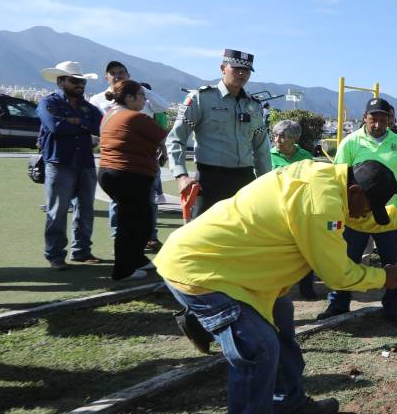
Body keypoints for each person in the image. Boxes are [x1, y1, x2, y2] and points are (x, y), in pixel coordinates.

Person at [155, 159, 397, 414]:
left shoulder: (332, 185)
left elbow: (364, 218)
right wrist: (385, 278)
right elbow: (339, 274)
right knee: (260, 351)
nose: (367, 214)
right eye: (369, 205)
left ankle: (287, 405)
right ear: (354, 191)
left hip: (244, 275)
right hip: (205, 273)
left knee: (282, 317)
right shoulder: (320, 204)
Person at [317, 98, 397, 330]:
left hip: (388, 216)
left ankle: (394, 310)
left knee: (394, 263)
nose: (377, 124)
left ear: (390, 120)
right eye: (373, 119)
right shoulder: (351, 142)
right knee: (345, 260)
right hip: (355, 216)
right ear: (365, 118)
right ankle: (338, 304)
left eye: (383, 119)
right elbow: (338, 180)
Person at [166, 49, 270, 219]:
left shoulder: (254, 106)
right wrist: (181, 176)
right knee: (201, 237)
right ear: (223, 68)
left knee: (243, 236)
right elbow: (176, 139)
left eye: (247, 70)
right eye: (236, 68)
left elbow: (262, 148)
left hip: (245, 180)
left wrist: (265, 182)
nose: (242, 73)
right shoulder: (200, 98)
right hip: (210, 181)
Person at [89, 61, 172, 253]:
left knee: (147, 203)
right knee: (123, 205)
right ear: (106, 78)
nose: (118, 75)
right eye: (113, 73)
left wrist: (142, 90)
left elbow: (163, 106)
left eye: (121, 72)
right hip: (120, 160)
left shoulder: (140, 98)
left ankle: (147, 239)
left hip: (144, 160)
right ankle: (122, 243)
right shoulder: (100, 101)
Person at [97, 80, 168, 281]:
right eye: (141, 95)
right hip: (128, 175)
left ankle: (136, 258)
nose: (145, 99)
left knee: (140, 219)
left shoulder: (109, 115)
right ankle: (123, 270)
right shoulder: (135, 118)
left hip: (110, 173)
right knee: (132, 223)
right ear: (129, 97)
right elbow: (164, 137)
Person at [37, 61, 105, 270]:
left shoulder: (88, 108)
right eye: (74, 80)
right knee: (57, 211)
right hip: (60, 162)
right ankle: (55, 255)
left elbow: (102, 128)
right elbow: (56, 127)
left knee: (85, 209)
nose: (80, 85)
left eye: (81, 81)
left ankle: (82, 251)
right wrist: (84, 126)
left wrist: (77, 122)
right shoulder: (47, 103)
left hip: (84, 162)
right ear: (61, 81)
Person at [269, 119, 319, 299]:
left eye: (282, 137)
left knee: (304, 250)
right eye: (275, 136)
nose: (277, 140)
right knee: (278, 252)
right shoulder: (267, 156)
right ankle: (276, 289)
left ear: (294, 138)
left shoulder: (305, 156)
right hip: (275, 210)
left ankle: (307, 289)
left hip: (299, 210)